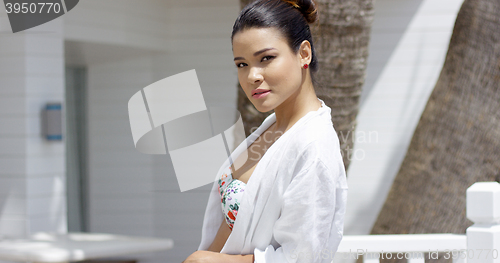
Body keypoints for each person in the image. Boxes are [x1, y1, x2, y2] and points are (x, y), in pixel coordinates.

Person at [182, 0, 347, 262]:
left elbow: (302, 257)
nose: (252, 76)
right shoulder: (272, 127)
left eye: (266, 58)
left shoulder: (313, 145)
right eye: (241, 64)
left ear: (304, 53)